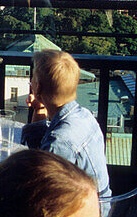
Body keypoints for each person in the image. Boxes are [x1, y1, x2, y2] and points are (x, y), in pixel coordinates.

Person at [23, 50, 111, 201]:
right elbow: (39, 150)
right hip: (99, 202)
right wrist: (39, 108)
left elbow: (42, 192)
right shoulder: (84, 115)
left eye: (33, 78)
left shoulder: (60, 141)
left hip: (85, 213)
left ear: (37, 88)